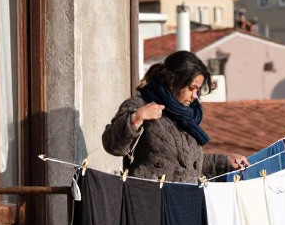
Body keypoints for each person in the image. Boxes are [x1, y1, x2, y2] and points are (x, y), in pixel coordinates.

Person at [103, 51, 250, 180]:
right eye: (191, 88)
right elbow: (113, 147)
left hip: (184, 202)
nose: (195, 96)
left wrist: (225, 162)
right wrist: (136, 118)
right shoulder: (140, 104)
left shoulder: (188, 116)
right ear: (173, 81)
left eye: (198, 90)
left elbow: (191, 166)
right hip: (150, 203)